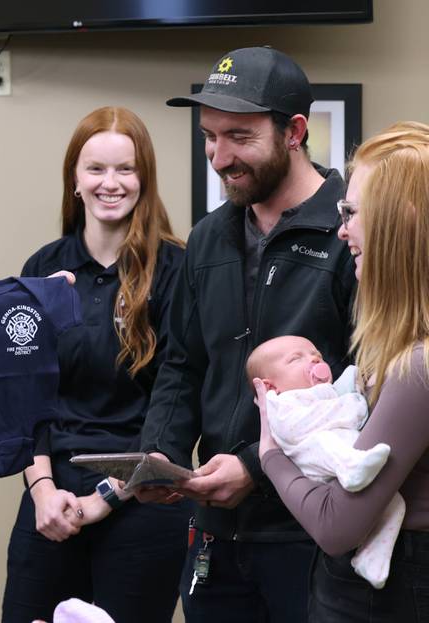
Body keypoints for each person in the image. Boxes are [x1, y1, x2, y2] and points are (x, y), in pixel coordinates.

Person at [136, 46, 356, 622]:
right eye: (210, 136)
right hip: (215, 535)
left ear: (294, 132)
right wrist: (159, 454)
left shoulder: (348, 234)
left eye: (239, 136)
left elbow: (364, 388)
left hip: (310, 529)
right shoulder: (208, 239)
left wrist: (256, 469)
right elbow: (184, 363)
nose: (219, 156)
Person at [1, 106, 190, 623]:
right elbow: (25, 396)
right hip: (51, 501)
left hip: (141, 503)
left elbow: (175, 399)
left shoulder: (177, 270)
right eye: (96, 169)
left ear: (144, 179)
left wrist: (103, 498)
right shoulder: (42, 269)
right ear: (75, 181)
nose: (112, 183)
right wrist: (42, 491)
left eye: (126, 169)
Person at [255, 121, 429, 622]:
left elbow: (336, 525)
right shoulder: (393, 342)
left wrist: (271, 452)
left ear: (401, 220)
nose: (342, 230)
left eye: (352, 213)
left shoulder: (417, 363)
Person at [247, 335, 405, 588]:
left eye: (316, 354)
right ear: (270, 385)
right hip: (314, 457)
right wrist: (350, 405)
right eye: (296, 358)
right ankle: (352, 468)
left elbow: (356, 403)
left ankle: (373, 557)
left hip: (350, 458)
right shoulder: (281, 402)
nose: (313, 359)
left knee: (395, 501)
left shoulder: (330, 393)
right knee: (326, 442)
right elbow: (294, 429)